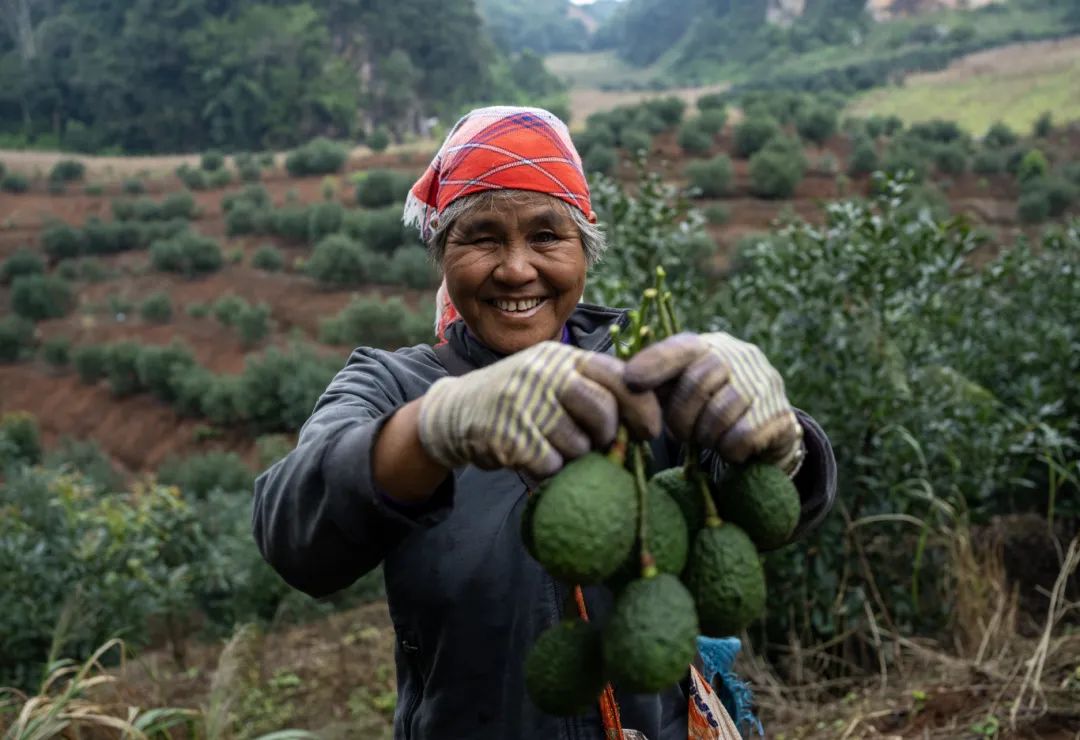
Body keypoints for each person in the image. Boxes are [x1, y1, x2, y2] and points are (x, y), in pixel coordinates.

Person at [252, 105, 837, 740]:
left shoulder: (644, 368)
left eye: (547, 236)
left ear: (585, 248)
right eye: (481, 237)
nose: (516, 268)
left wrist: (783, 442)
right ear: (441, 254)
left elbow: (778, 511)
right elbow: (293, 532)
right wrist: (433, 429)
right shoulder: (393, 386)